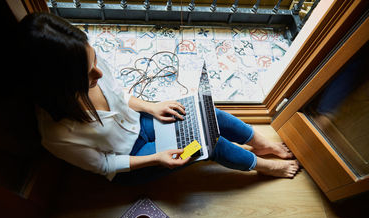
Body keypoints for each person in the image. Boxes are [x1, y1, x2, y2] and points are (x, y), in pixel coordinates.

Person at [18, 12, 299, 183]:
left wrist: (152, 107)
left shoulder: (86, 62)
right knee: (210, 144)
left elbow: (120, 94)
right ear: (60, 84)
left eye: (94, 60)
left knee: (208, 114)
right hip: (130, 159)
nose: (99, 73)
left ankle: (259, 143)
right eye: (87, 74)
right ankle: (263, 167)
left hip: (141, 122)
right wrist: (156, 159)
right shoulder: (55, 134)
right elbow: (104, 165)